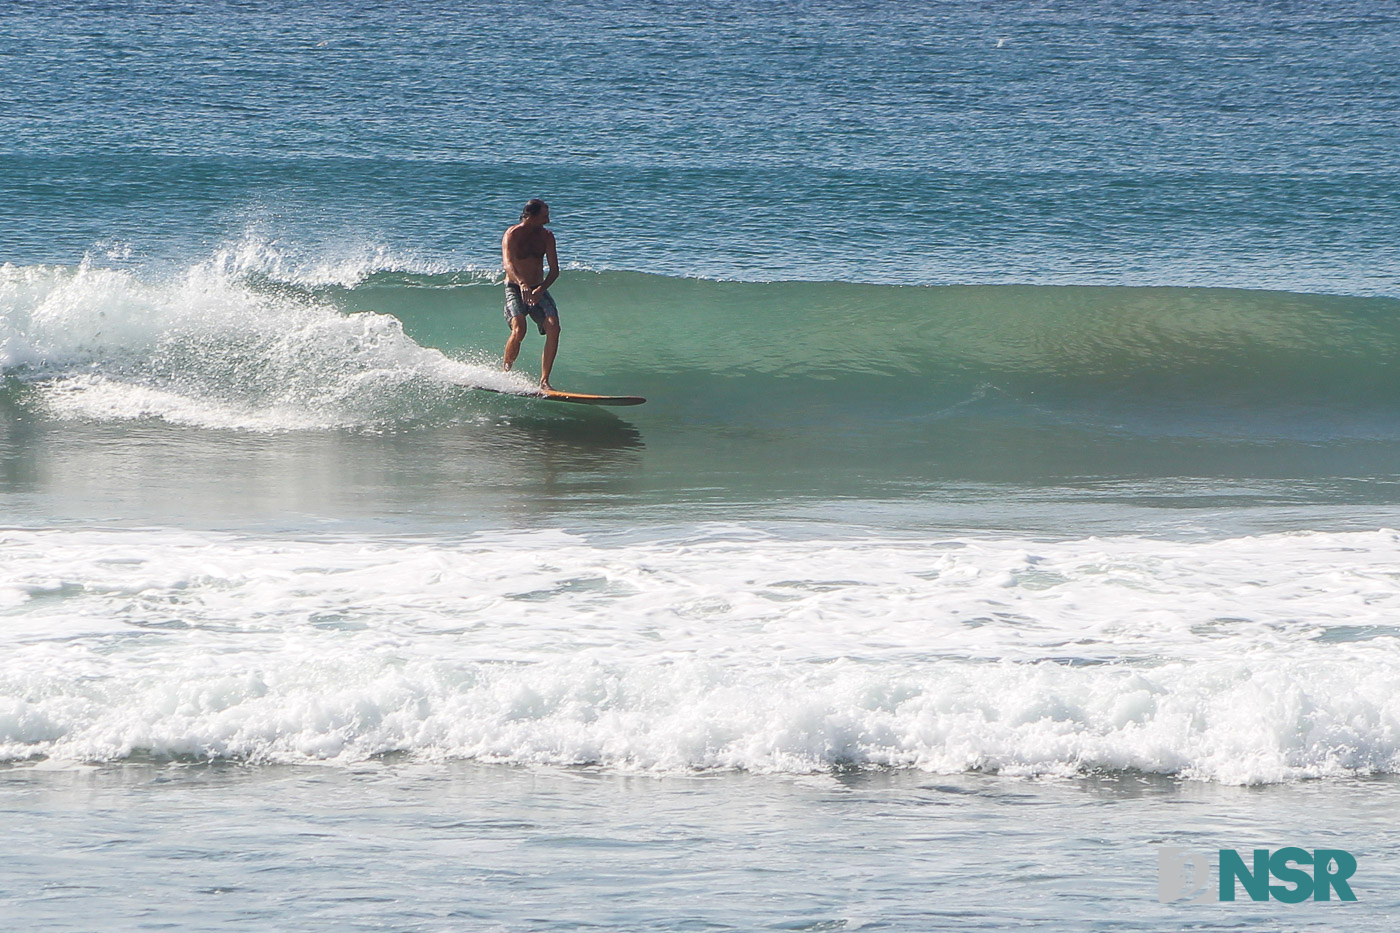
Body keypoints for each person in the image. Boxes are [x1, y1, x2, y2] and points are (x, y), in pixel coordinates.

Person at [501, 198, 561, 389]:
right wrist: (522, 284)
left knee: (554, 327)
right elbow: (508, 264)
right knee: (520, 328)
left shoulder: (547, 236)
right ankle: (505, 374)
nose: (548, 220)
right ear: (531, 216)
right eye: (544, 215)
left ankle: (544, 381)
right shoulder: (512, 234)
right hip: (514, 287)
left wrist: (540, 289)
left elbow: (554, 271)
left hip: (537, 288)